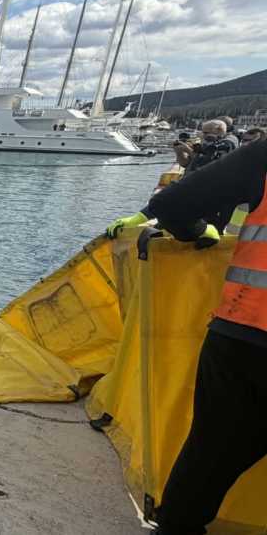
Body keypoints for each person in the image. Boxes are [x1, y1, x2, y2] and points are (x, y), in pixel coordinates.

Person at [105, 141, 267, 535]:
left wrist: (198, 231)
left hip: (247, 336)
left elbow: (175, 203)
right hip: (246, 334)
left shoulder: (260, 157)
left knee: (209, 454)